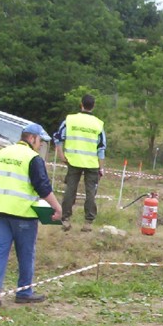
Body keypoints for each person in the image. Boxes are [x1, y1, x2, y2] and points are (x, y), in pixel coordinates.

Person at [0, 123, 62, 307]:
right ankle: (24, 292)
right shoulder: (33, 158)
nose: (40, 145)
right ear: (32, 138)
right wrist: (57, 208)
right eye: (40, 140)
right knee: (26, 252)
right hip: (22, 214)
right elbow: (43, 187)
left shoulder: (0, 153)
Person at [54, 94, 106, 232]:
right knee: (90, 192)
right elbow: (101, 148)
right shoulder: (98, 124)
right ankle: (88, 222)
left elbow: (58, 137)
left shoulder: (70, 120)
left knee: (70, 189)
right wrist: (101, 167)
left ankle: (65, 219)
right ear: (93, 106)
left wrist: (61, 155)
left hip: (73, 160)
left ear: (81, 104)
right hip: (92, 163)